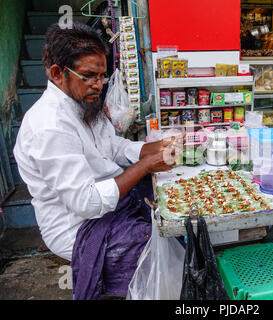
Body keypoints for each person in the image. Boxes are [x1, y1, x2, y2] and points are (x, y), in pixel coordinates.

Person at [13, 22, 182, 299]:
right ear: (57, 73)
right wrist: (145, 166)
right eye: (90, 77)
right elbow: (87, 202)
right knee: (153, 241)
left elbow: (113, 147)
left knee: (171, 206)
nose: (98, 85)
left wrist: (153, 148)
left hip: (108, 203)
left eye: (102, 76)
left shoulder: (83, 101)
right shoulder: (49, 126)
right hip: (77, 226)